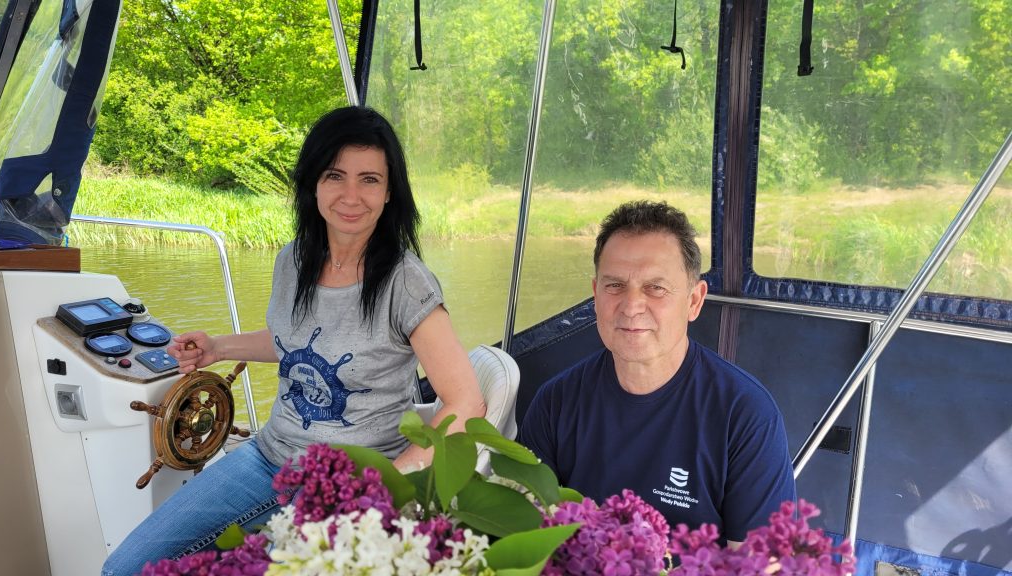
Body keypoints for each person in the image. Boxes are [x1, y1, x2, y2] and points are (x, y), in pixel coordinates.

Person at [102, 106, 486, 575]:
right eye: (335, 175)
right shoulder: (293, 260)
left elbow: (466, 403)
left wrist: (386, 487)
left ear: (389, 193)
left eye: (369, 179)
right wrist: (218, 348)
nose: (351, 196)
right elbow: (294, 344)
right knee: (123, 569)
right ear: (314, 183)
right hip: (269, 458)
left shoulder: (406, 283)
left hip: (350, 484)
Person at [518, 200, 795, 544]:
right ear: (595, 294)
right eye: (614, 285)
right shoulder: (555, 404)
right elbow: (526, 537)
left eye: (656, 288)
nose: (632, 306)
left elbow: (762, 563)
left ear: (694, 301)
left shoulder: (745, 415)